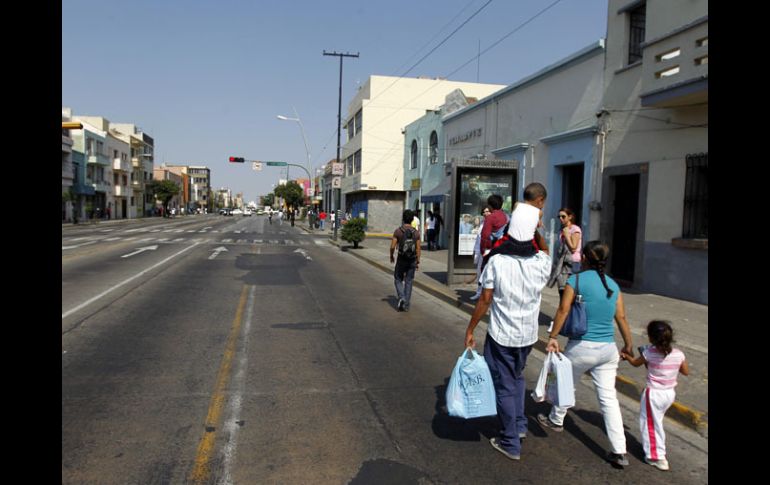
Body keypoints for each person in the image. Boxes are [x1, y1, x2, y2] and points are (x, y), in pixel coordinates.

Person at [539, 241, 635, 468]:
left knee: (566, 384)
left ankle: (556, 419)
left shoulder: (577, 280)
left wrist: (553, 336)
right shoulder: (613, 285)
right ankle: (619, 450)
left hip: (582, 346)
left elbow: (563, 309)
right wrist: (628, 344)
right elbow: (621, 318)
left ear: (584, 258)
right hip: (608, 349)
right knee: (608, 399)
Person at [464, 229, 551, 461]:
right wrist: (537, 231)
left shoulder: (497, 261)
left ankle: (510, 440)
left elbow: (485, 299)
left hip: (502, 335)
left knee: (504, 385)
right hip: (528, 336)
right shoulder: (539, 262)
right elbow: (545, 250)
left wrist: (471, 328)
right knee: (516, 377)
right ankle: (520, 424)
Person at [621, 320, 689, 472]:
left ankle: (656, 457)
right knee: (657, 422)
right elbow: (685, 371)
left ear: (651, 338)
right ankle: (657, 451)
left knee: (650, 424)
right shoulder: (678, 354)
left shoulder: (649, 353)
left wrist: (626, 356)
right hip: (669, 393)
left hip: (653, 393)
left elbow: (635, 363)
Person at [480, 183, 548, 272]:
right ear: (540, 200)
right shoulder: (539, 212)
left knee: (489, 257)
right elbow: (533, 226)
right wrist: (538, 221)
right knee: (545, 252)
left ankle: (483, 279)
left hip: (509, 243)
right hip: (526, 247)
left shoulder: (517, 205)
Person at [548, 208, 583, 300]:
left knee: (573, 292)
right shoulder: (562, 231)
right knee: (562, 291)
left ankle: (572, 313)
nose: (560, 218)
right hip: (562, 264)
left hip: (573, 263)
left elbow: (573, 247)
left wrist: (567, 235)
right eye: (559, 216)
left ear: (570, 217)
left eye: (563, 216)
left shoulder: (575, 229)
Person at [390, 209, 421, 312]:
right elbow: (418, 249)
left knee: (398, 278)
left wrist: (391, 256)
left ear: (403, 219)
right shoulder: (416, 233)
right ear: (412, 219)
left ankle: (402, 297)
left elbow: (392, 246)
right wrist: (417, 261)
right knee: (409, 281)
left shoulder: (398, 231)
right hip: (412, 259)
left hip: (401, 259)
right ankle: (406, 305)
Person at [470, 206, 492, 301]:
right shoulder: (482, 223)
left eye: (487, 211)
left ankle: (487, 295)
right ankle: (479, 293)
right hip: (480, 252)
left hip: (487, 252)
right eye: (484, 212)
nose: (485, 213)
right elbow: (478, 240)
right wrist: (475, 251)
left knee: (487, 275)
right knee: (479, 273)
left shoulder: (491, 224)